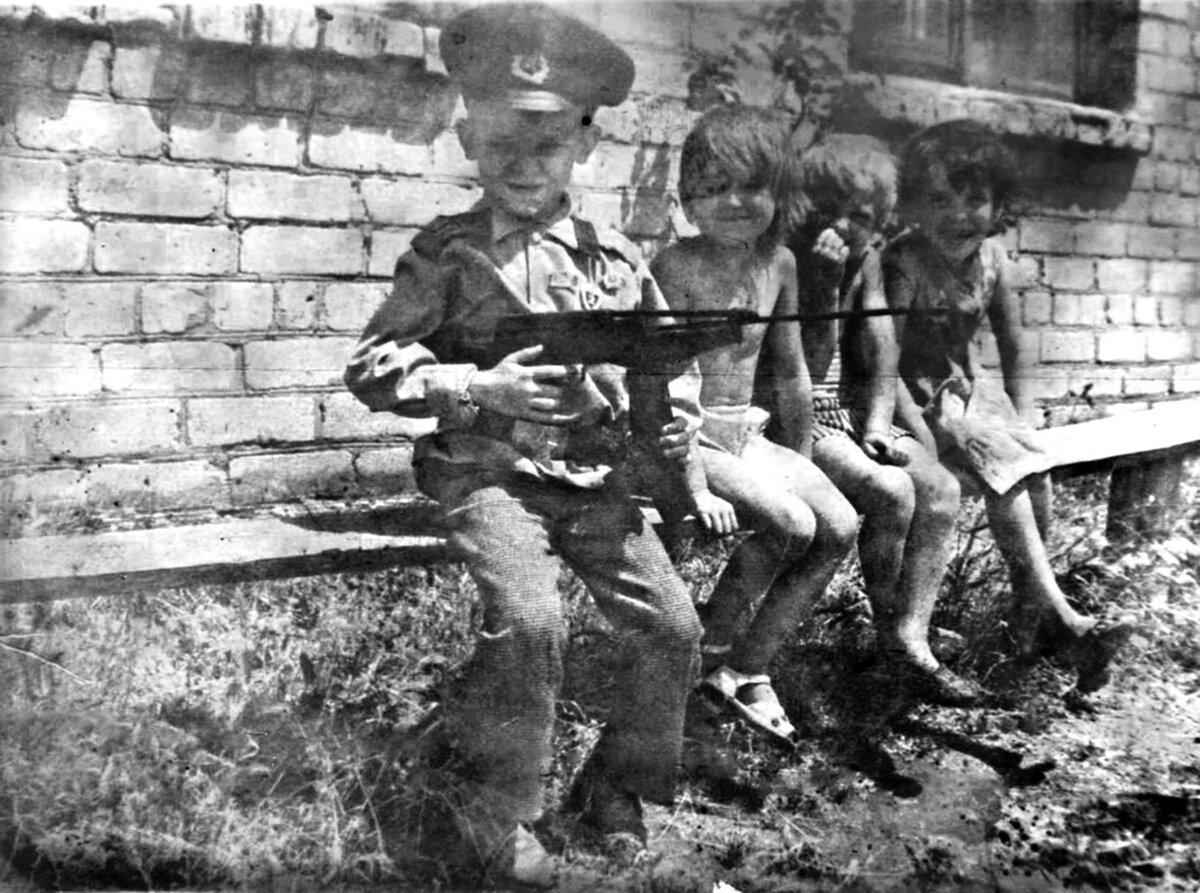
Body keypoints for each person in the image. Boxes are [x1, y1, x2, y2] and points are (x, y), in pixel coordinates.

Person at [344, 5, 704, 885]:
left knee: (673, 627)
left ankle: (615, 789)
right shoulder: (447, 255)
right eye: (502, 142)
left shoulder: (615, 260)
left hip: (588, 477)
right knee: (533, 621)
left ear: (584, 144)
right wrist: (476, 387)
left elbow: (666, 361)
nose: (523, 164)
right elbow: (371, 364)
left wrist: (672, 417)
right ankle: (495, 811)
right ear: (469, 139)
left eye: (546, 145)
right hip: (488, 472)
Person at [884, 120, 1135, 694]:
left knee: (1034, 468)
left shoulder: (993, 258)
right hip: (919, 404)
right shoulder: (906, 264)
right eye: (940, 200)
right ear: (915, 204)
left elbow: (1016, 343)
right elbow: (884, 358)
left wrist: (1023, 414)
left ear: (999, 204)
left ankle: (1029, 614)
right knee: (1008, 469)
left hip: (972, 397)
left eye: (975, 199)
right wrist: (920, 434)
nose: (959, 215)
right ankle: (1064, 620)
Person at [651, 105, 858, 748]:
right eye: (714, 188)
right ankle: (708, 653)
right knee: (791, 524)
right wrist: (691, 479)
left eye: (751, 187)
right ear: (688, 199)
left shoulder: (780, 265)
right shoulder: (675, 267)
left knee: (839, 524)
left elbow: (792, 372)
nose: (734, 202)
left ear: (780, 193)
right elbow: (662, 386)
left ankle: (749, 666)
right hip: (687, 437)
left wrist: (801, 459)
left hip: (746, 433)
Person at [789, 133, 981, 706]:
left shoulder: (868, 261)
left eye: (860, 217)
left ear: (879, 224)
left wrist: (877, 422)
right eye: (830, 211)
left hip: (853, 411)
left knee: (941, 489)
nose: (842, 226)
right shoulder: (794, 261)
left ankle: (910, 635)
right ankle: (890, 634)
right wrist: (825, 289)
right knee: (889, 492)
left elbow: (881, 346)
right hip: (804, 418)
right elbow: (806, 367)